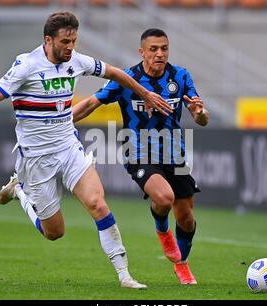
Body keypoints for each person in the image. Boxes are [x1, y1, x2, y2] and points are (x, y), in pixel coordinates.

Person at [0, 12, 172, 289]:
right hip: (36, 158)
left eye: (74, 41)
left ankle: (124, 275)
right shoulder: (26, 65)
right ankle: (19, 192)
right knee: (55, 232)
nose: (70, 47)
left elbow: (113, 72)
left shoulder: (75, 60)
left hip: (68, 147)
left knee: (98, 205)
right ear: (48, 40)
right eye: (65, 41)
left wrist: (144, 93)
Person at [72, 28, 210, 285]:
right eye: (154, 49)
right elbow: (92, 103)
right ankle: (162, 229)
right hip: (139, 151)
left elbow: (201, 118)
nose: (160, 54)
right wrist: (61, 121)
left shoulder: (180, 76)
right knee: (164, 197)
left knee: (187, 218)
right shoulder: (128, 79)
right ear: (142, 52)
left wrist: (200, 113)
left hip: (174, 153)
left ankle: (182, 264)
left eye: (164, 48)